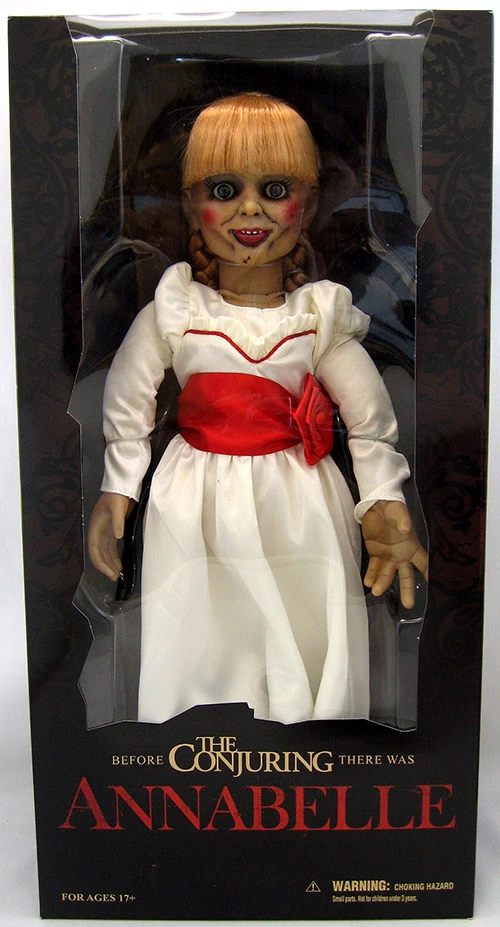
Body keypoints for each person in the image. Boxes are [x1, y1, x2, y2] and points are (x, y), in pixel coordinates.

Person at [88, 92, 427, 725]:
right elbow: (129, 405)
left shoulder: (316, 317)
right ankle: (193, 738)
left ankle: (312, 736)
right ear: (191, 201)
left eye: (274, 189)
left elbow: (369, 422)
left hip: (298, 498)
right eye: (225, 189)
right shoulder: (176, 310)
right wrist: (120, 487)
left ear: (309, 203)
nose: (250, 209)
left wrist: (383, 499)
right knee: (197, 618)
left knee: (304, 616)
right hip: (194, 497)